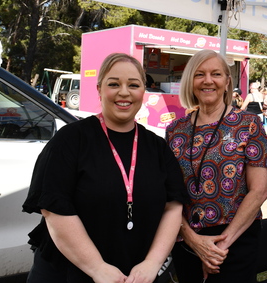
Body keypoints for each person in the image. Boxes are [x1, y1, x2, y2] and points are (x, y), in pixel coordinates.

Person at [23, 53, 188, 283]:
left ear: (143, 91)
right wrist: (98, 268)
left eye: (133, 84)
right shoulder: (71, 140)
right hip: (70, 274)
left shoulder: (157, 147)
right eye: (114, 84)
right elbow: (54, 210)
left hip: (137, 275)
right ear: (99, 89)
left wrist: (152, 263)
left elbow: (173, 207)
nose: (124, 92)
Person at [165, 50, 267, 283]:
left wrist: (218, 248)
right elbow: (168, 194)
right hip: (187, 241)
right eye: (199, 74)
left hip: (235, 239)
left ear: (227, 82)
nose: (207, 80)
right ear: (190, 82)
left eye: (216, 74)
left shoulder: (249, 124)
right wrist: (195, 241)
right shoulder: (175, 130)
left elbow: (259, 192)